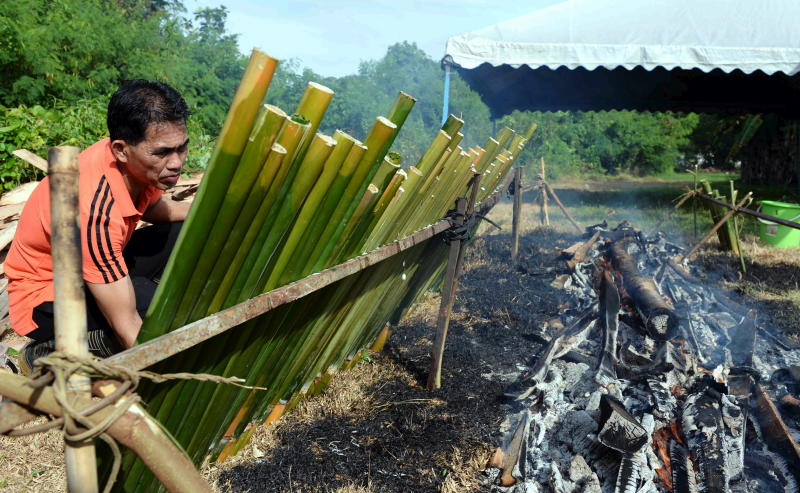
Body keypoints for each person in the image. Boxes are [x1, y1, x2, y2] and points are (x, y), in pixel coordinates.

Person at [5, 80, 193, 373]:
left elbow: (152, 207)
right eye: (162, 153)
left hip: (89, 262)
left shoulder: (128, 159)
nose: (176, 162)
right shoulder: (94, 210)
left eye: (182, 148)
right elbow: (127, 323)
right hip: (46, 295)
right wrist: (169, 377)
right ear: (120, 149)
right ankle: (49, 354)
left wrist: (204, 213)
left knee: (188, 234)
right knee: (158, 308)